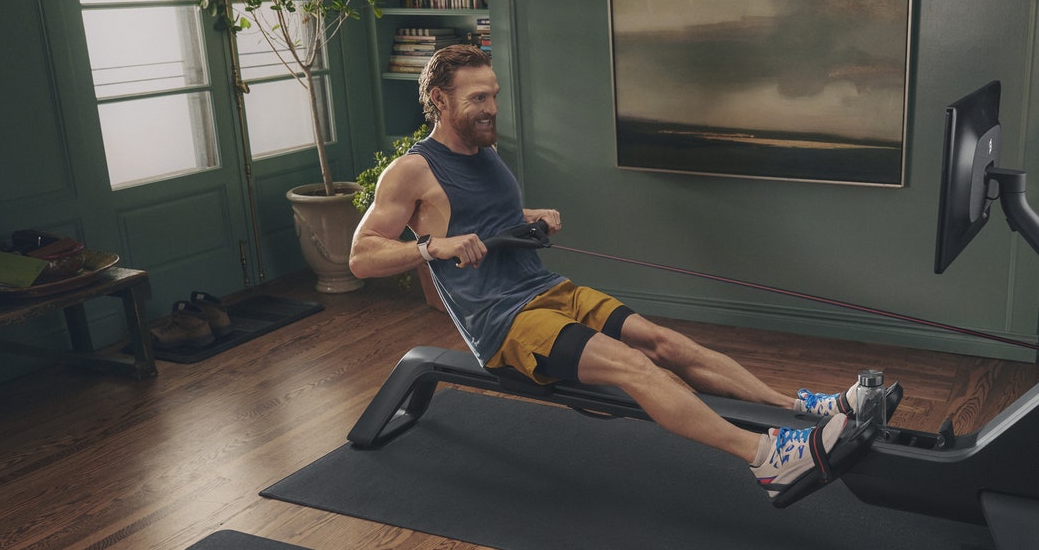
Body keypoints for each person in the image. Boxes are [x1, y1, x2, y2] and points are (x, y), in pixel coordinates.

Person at [349, 44, 875, 496]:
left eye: (494, 95)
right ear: (439, 100)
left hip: (547, 289)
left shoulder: (484, 150)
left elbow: (483, 219)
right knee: (635, 368)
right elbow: (362, 254)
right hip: (504, 322)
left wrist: (528, 216)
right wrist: (430, 249)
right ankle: (767, 460)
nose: (491, 108)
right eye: (477, 99)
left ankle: (807, 409)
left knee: (669, 344)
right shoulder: (413, 170)